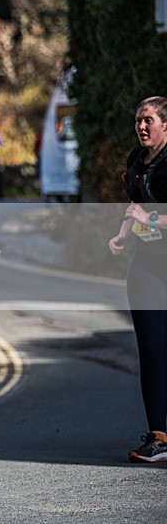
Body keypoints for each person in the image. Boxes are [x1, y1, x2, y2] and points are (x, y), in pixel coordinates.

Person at [108, 96, 167, 463]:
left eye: (148, 120)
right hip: (147, 263)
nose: (142, 126)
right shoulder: (136, 160)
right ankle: (159, 437)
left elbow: (148, 214)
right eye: (138, 120)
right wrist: (123, 233)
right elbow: (135, 206)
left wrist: (151, 221)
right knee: (151, 349)